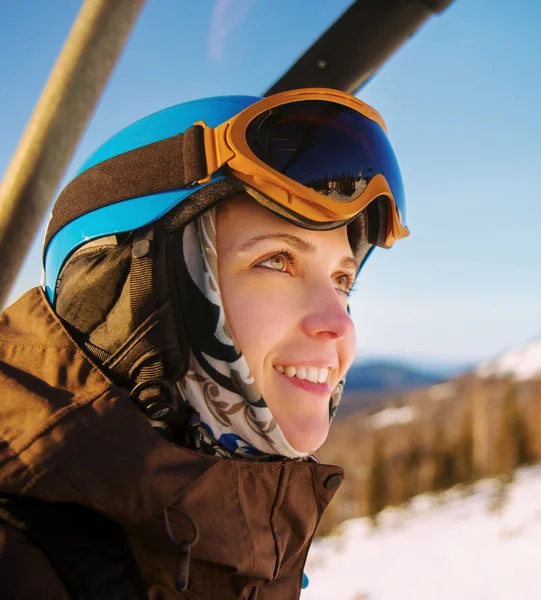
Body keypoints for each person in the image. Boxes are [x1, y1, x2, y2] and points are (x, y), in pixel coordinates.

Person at [0, 88, 408, 599]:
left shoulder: (244, 554)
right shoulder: (20, 561)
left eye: (342, 281)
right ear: (133, 296)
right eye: (277, 261)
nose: (340, 325)